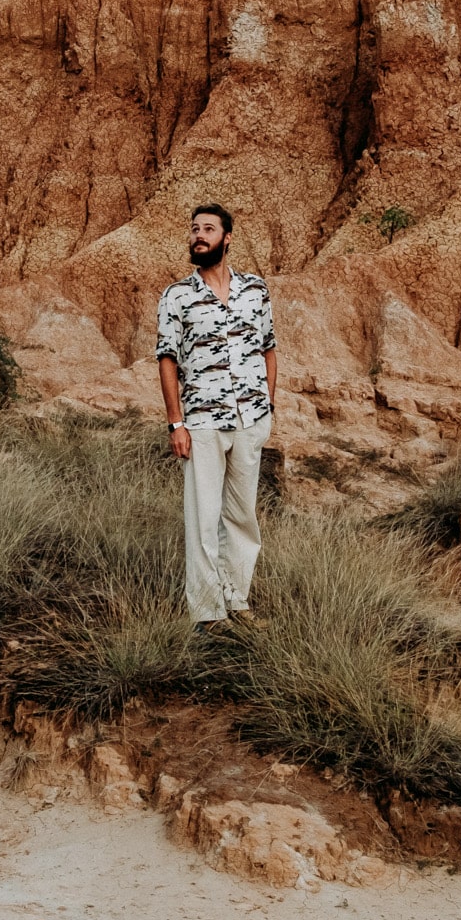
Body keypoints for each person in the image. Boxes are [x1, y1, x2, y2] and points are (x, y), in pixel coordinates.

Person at [156, 204, 277, 626]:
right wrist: (177, 423)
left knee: (242, 517)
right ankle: (208, 614)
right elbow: (167, 360)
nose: (198, 235)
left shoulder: (256, 290)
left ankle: (237, 600)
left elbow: (268, 349)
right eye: (194, 229)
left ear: (227, 238)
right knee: (203, 519)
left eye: (208, 229)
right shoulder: (177, 296)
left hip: (250, 420)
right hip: (203, 422)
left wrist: (268, 410)